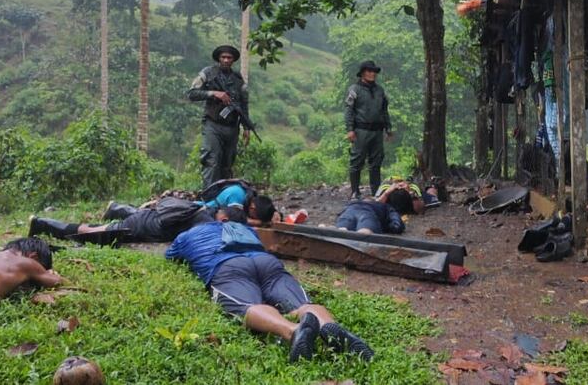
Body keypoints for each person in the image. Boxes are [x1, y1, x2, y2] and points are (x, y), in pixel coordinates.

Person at [166, 211, 373, 363]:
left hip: (228, 267)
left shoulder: (186, 236)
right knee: (301, 304)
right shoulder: (242, 228)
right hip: (265, 261)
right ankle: (328, 326)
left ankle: (293, 331)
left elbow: (170, 257)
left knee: (247, 305)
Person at [28, 196, 216, 245]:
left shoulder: (201, 209)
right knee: (92, 233)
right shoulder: (206, 223)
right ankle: (42, 223)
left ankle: (115, 208)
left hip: (146, 218)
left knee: (95, 230)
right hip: (139, 226)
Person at [188, 45, 249, 188]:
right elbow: (192, 93)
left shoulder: (237, 79)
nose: (226, 60)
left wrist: (247, 127)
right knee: (211, 160)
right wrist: (213, 93)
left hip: (232, 127)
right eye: (223, 57)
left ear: (233, 60)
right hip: (213, 125)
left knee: (227, 164)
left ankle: (223, 197)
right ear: (219, 58)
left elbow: (244, 104)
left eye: (229, 58)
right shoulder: (207, 73)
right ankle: (209, 195)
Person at [344, 60, 392, 199]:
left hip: (377, 131)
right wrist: (350, 129)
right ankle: (355, 192)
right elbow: (349, 111)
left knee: (376, 162)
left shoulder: (380, 90)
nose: (372, 74)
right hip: (361, 130)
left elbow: (384, 110)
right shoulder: (354, 89)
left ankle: (376, 192)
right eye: (369, 71)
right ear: (363, 73)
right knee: (356, 161)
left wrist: (388, 128)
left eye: (374, 72)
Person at [334, 198, 404, 235]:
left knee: (341, 230)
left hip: (349, 212)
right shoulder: (383, 205)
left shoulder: (351, 203)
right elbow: (397, 225)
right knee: (364, 234)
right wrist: (386, 227)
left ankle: (326, 228)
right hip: (367, 213)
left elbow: (339, 215)